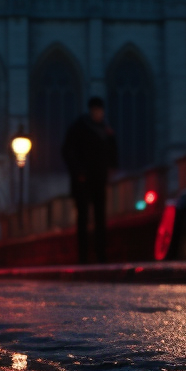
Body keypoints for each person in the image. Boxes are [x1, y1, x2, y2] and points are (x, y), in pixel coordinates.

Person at [62, 96, 118, 264]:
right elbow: (67, 151)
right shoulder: (79, 127)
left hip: (99, 179)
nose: (99, 114)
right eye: (96, 111)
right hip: (83, 180)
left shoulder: (105, 130)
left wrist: (111, 169)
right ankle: (83, 256)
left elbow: (112, 152)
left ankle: (100, 255)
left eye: (100, 111)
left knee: (100, 218)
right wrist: (78, 171)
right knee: (83, 218)